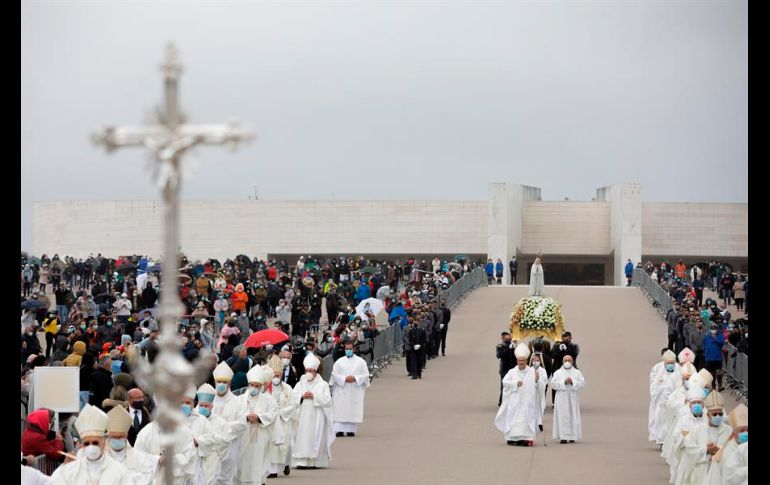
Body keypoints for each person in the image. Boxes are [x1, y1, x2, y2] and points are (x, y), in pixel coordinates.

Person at [50, 404, 130, 484]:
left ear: (103, 442)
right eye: (87, 443)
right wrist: (65, 465)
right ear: (81, 445)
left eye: (95, 443)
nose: (91, 446)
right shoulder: (70, 469)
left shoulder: (118, 470)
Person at [673, 391, 732, 485]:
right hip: (701, 471)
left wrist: (719, 450)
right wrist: (706, 450)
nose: (718, 417)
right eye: (715, 414)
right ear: (708, 415)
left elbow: (733, 450)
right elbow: (689, 448)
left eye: (720, 414)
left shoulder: (729, 431)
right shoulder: (697, 430)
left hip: (720, 472)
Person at [494, 343, 546, 446]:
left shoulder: (532, 371)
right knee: (514, 418)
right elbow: (505, 382)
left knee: (526, 419)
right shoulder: (512, 372)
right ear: (517, 361)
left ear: (526, 361)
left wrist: (537, 379)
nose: (521, 362)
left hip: (527, 401)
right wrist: (515, 383)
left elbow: (540, 387)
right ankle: (513, 438)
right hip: (515, 401)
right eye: (519, 360)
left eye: (523, 360)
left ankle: (526, 438)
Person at [133, 402, 197, 485]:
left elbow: (190, 455)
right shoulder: (146, 432)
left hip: (177, 479)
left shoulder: (184, 431)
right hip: (152, 479)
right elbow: (138, 456)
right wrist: (157, 460)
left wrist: (171, 459)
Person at [234, 365, 278, 485]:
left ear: (261, 386)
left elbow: (273, 413)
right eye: (252, 385)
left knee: (258, 459)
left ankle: (258, 481)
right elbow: (234, 416)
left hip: (261, 435)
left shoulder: (268, 400)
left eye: (257, 386)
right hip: (244, 435)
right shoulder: (238, 400)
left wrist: (260, 418)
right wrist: (246, 418)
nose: (254, 388)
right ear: (249, 385)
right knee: (243, 460)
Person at [292, 353, 335, 469]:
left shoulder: (323, 385)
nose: (309, 373)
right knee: (302, 438)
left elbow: (327, 400)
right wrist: (301, 396)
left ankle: (315, 461)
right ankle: (301, 461)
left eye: (311, 370)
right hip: (303, 416)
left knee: (316, 437)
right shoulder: (300, 383)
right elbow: (293, 396)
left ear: (316, 371)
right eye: (307, 370)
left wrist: (314, 396)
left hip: (317, 416)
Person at [210, 361, 249, 484]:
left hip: (230, 445)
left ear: (229, 383)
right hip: (211, 445)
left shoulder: (237, 402)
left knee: (226, 478)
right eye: (219, 382)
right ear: (215, 383)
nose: (221, 384)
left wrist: (224, 429)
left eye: (224, 382)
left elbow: (242, 423)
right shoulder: (207, 400)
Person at [103, 406, 160, 485]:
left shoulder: (139, 457)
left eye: (120, 437)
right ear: (108, 437)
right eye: (114, 437)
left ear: (126, 436)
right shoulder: (101, 457)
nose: (117, 440)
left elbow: (150, 473)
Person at [266, 356, 300, 479]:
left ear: (281, 374)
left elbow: (293, 404)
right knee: (271, 445)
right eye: (273, 375)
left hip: (283, 421)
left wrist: (281, 413)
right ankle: (272, 470)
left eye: (278, 375)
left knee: (285, 445)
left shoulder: (287, 388)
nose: (276, 377)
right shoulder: (265, 389)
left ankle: (285, 464)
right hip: (270, 422)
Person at [331, 341, 371, 437]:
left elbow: (365, 375)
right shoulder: (339, 362)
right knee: (341, 408)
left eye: (350, 349)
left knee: (352, 409)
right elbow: (334, 374)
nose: (348, 350)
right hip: (342, 389)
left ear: (354, 349)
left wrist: (355, 378)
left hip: (354, 388)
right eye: (347, 349)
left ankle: (351, 430)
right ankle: (339, 430)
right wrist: (344, 378)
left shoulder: (361, 362)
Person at [194, 383, 231, 483]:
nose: (203, 408)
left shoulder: (220, 422)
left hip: (212, 458)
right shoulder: (192, 419)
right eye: (201, 405)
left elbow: (226, 441)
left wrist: (210, 440)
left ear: (211, 406)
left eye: (206, 406)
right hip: (195, 459)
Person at [705, 404, 747, 485]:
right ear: (734, 434)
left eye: (747, 430)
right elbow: (727, 479)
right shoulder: (726, 453)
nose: (746, 433)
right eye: (742, 430)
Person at [550, 354, 585, 443]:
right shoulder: (558, 373)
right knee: (562, 416)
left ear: (572, 362)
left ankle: (573, 436)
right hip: (561, 398)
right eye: (566, 360)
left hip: (572, 398)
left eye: (569, 360)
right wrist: (563, 382)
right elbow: (553, 384)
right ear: (563, 361)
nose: (567, 362)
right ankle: (563, 437)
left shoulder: (577, 372)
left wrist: (573, 382)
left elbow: (582, 383)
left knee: (573, 415)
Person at [648, 349, 679, 445]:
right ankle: (661, 440)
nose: (671, 365)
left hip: (674, 403)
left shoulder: (678, 371)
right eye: (668, 363)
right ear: (664, 364)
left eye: (672, 363)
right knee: (660, 421)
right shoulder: (660, 374)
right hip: (662, 403)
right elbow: (654, 387)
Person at [496, 332, 516, 406]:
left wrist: (514, 347)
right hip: (504, 370)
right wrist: (508, 348)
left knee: (513, 385)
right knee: (504, 385)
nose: (508, 339)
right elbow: (499, 355)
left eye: (509, 337)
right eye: (506, 338)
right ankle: (502, 401)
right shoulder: (500, 346)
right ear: (503, 338)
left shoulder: (514, 345)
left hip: (513, 369)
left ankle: (512, 401)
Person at [703, 322, 725, 390]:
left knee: (719, 372)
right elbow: (704, 346)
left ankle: (720, 385)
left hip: (718, 358)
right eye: (712, 328)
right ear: (710, 329)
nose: (713, 330)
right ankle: (713, 386)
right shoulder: (706, 336)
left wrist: (715, 338)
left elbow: (722, 343)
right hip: (709, 358)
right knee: (711, 373)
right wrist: (705, 355)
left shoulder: (720, 335)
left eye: (715, 328)